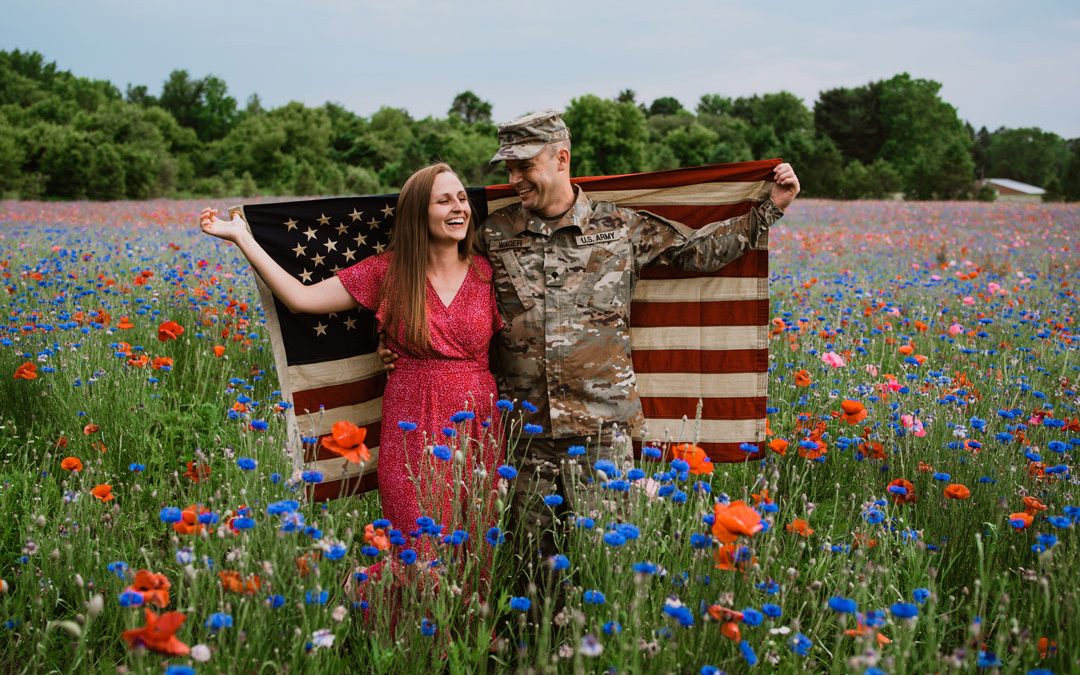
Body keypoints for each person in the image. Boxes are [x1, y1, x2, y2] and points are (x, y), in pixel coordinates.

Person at [382, 111, 801, 561]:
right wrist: (403, 343)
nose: (514, 178)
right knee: (530, 564)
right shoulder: (492, 236)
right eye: (508, 169)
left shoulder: (619, 228)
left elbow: (697, 253)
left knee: (607, 561)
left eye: (524, 166)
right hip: (525, 435)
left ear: (561, 158)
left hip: (602, 432)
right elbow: (437, 278)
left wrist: (771, 207)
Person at [199, 163, 504, 563]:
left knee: (475, 546)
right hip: (412, 421)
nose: (458, 208)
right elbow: (301, 299)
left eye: (462, 198)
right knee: (418, 546)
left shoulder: (487, 272)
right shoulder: (387, 272)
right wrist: (242, 237)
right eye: (444, 200)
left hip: (478, 423)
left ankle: (469, 628)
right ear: (417, 212)